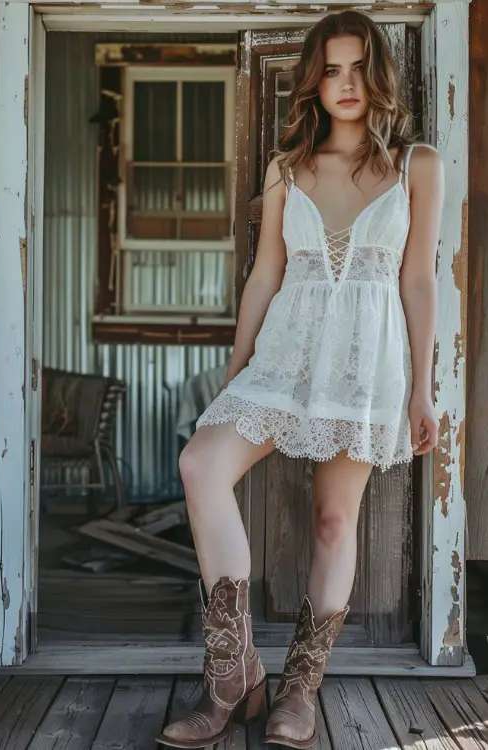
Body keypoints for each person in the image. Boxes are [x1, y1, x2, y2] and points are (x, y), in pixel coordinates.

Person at [157, 9, 444, 750]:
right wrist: (234, 369)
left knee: (331, 522)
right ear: (312, 81)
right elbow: (264, 276)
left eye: (356, 68)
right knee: (200, 464)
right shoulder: (287, 168)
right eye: (330, 70)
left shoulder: (418, 166)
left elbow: (417, 281)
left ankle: (298, 691)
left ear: (375, 73)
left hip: (362, 368)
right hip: (283, 358)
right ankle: (232, 676)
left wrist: (422, 388)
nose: (344, 84)